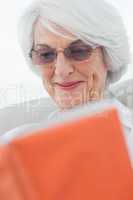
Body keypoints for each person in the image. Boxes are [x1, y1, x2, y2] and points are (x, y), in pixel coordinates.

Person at [1, 0, 133, 161]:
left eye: (79, 51)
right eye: (46, 55)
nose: (62, 70)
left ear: (108, 56)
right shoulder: (14, 146)